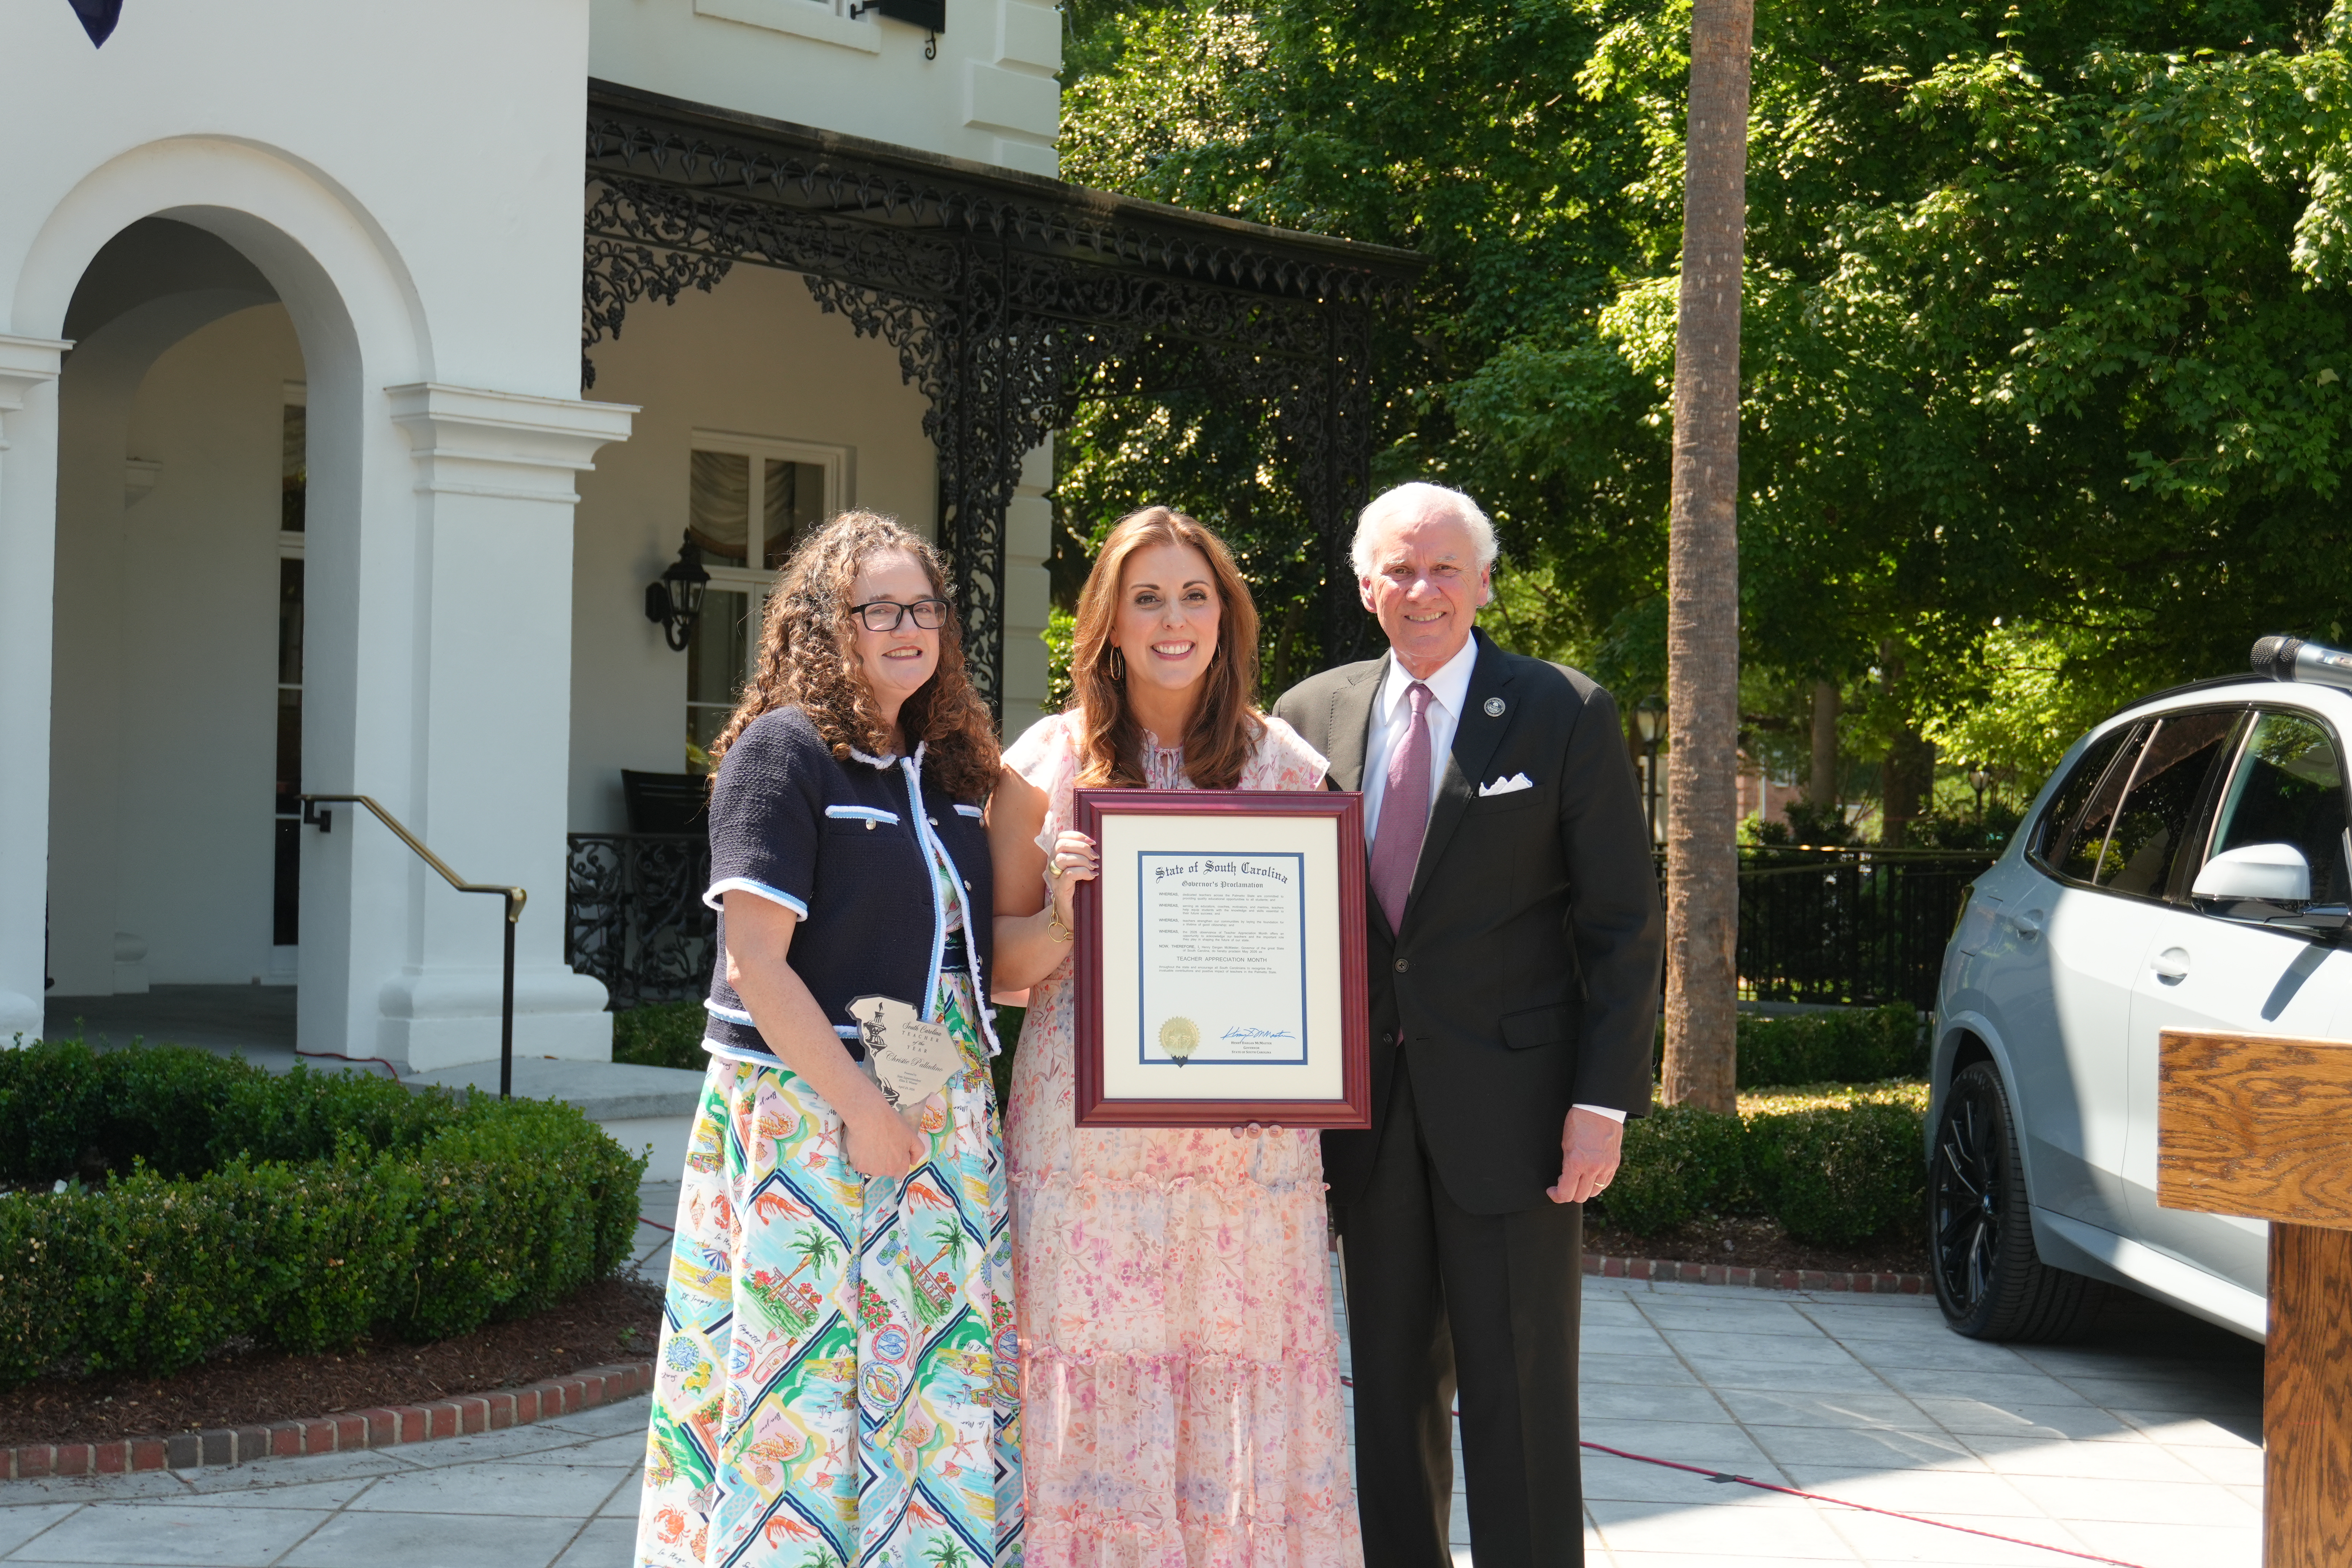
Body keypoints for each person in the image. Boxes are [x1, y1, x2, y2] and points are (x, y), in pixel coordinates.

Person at [1272, 483, 1663, 1568]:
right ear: (1365, 587)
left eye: (1446, 568)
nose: (1423, 590)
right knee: (1389, 1394)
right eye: (1399, 569)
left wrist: (1602, 1105)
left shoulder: (1564, 710)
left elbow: (1623, 927)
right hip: (1364, 1114)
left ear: (1486, 582)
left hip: (1520, 1118)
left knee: (1520, 1397)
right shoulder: (1306, 719)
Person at [637, 512, 1023, 1568]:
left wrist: (1079, 904)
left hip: (932, 1103)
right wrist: (862, 1108)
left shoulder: (943, 772)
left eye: (924, 609)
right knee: (806, 1384)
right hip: (814, 1109)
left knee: (922, 1378)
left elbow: (968, 956)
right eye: (879, 610)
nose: (908, 629)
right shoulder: (786, 751)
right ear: (827, 624)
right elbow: (757, 965)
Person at [988, 506, 1363, 1566]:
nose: (1173, 618)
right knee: (1092, 1366)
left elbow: (1327, 962)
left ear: (1226, 615)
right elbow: (1000, 970)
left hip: (1246, 1149)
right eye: (1146, 596)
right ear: (1107, 621)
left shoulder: (1286, 765)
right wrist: (1061, 920)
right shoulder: (1044, 765)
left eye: (1195, 594)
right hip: (1087, 1144)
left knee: (1241, 1374)